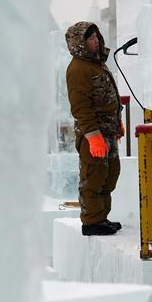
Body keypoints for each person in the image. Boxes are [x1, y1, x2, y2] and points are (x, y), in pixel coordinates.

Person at [65, 22, 125, 236]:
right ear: (79, 43)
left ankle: (101, 218)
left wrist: (117, 123)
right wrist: (93, 137)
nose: (96, 41)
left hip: (108, 132)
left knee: (109, 176)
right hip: (95, 134)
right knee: (93, 177)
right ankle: (91, 222)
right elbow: (81, 108)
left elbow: (108, 98)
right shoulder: (78, 69)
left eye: (96, 37)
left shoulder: (96, 63)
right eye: (90, 39)